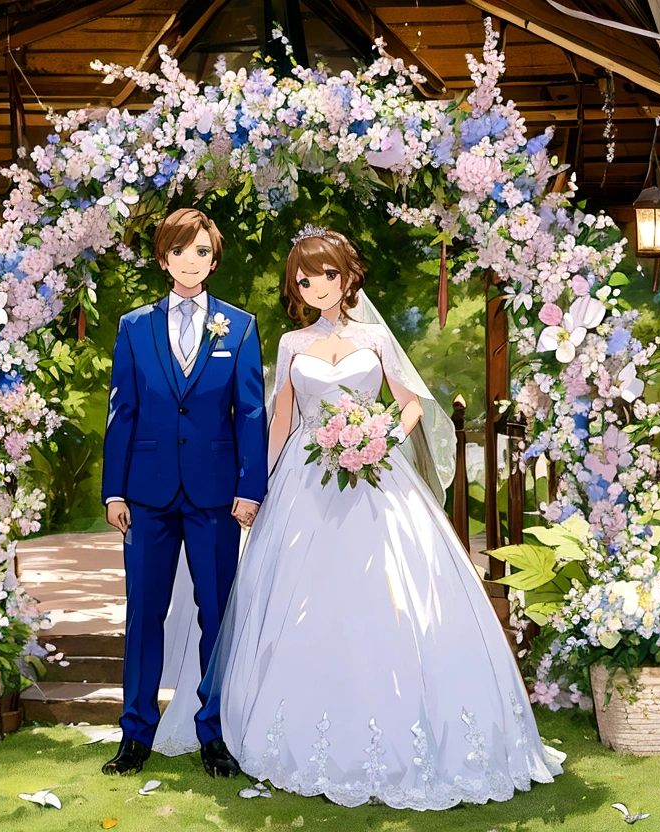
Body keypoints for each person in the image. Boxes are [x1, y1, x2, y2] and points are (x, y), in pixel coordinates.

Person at [161, 225, 563, 809]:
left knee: (391, 593)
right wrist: (256, 487)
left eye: (325, 273)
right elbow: (279, 425)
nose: (314, 284)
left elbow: (408, 408)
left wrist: (378, 438)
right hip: (305, 477)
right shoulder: (291, 345)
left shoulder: (375, 339)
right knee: (294, 600)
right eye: (304, 276)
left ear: (347, 277)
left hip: (375, 476)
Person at [100, 207, 267, 777]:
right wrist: (113, 491)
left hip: (216, 494)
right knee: (144, 612)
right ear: (163, 258)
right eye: (178, 251)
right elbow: (121, 412)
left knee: (216, 613)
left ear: (213, 258)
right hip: (145, 495)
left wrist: (251, 487)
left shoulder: (240, 326)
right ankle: (135, 733)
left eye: (200, 251)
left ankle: (214, 733)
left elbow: (250, 412)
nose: (189, 261)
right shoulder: (133, 326)